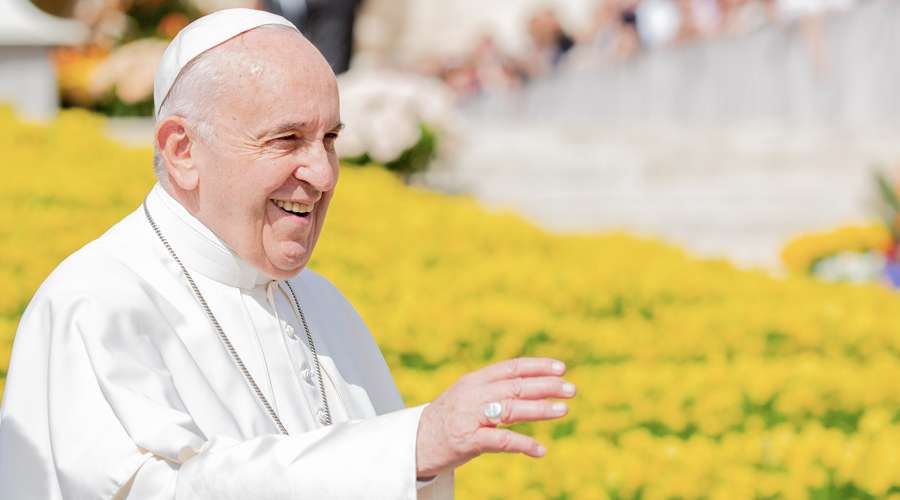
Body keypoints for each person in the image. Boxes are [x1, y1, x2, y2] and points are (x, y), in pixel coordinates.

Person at [0, 8, 576, 499]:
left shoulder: (319, 300)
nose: (322, 174)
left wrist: (419, 458)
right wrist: (408, 446)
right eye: (286, 140)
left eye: (330, 139)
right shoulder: (94, 304)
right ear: (182, 150)